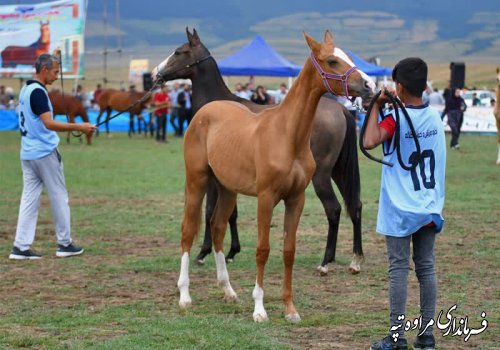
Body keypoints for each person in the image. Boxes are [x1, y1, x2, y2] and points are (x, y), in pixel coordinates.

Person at [363, 57, 446, 350]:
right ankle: (426, 336)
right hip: (429, 205)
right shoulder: (436, 119)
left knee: (398, 269)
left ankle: (397, 337)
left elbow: (370, 140)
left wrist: (375, 104)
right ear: (424, 85)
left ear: (398, 86)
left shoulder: (394, 120)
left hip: (400, 207)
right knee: (426, 268)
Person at [9, 53, 96, 260]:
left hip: (27, 153)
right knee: (59, 197)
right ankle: (64, 244)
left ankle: (20, 247)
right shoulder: (38, 92)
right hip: (44, 153)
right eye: (56, 72)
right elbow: (48, 123)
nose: (57, 76)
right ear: (45, 70)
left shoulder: (25, 89)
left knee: (29, 199)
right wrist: (79, 126)